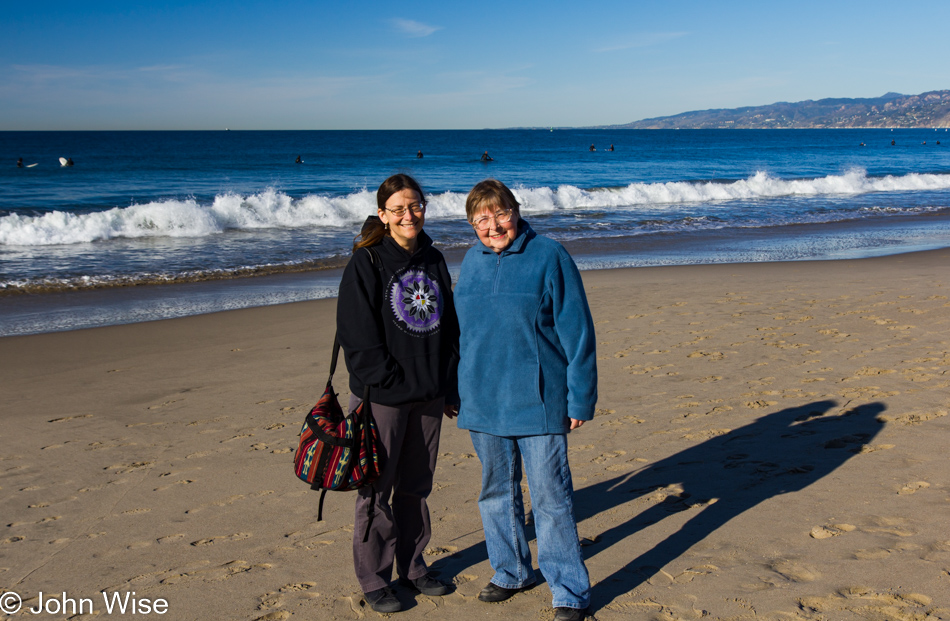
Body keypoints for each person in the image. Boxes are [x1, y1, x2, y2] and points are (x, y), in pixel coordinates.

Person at [454, 179, 597, 621]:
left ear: (516, 211)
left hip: (540, 401)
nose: (492, 225)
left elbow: (578, 331)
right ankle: (511, 571)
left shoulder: (549, 255)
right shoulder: (470, 262)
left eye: (500, 214)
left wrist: (580, 399)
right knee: (495, 493)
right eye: (481, 218)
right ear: (471, 224)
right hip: (482, 400)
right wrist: (452, 389)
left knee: (552, 499)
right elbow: (461, 338)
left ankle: (569, 591)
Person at [336, 173, 460, 614]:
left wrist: (449, 385)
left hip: (428, 395)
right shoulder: (367, 262)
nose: (410, 215)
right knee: (375, 490)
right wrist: (389, 382)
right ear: (384, 215)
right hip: (383, 399)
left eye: (416, 206)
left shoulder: (434, 258)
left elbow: (449, 328)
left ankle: (413, 566)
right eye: (399, 209)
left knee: (416, 487)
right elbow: (357, 337)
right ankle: (374, 578)